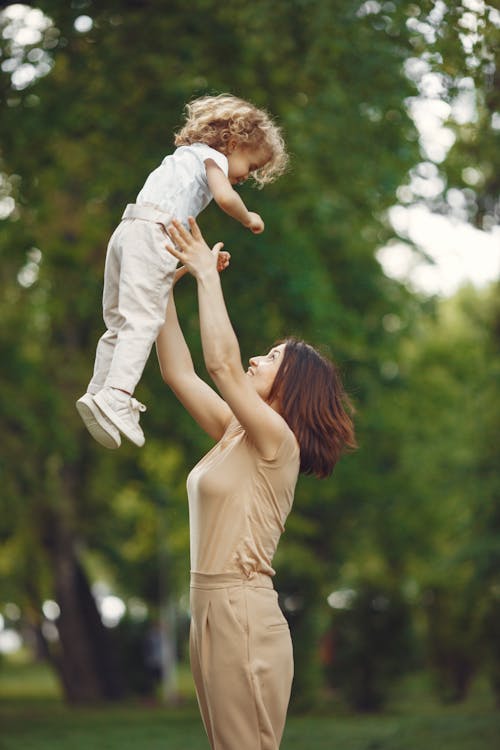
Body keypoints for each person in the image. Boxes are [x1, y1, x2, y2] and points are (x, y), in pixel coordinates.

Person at [156, 216, 356, 750]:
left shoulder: (278, 442)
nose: (254, 359)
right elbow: (180, 373)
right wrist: (159, 286)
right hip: (208, 611)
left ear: (291, 388)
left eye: (270, 359)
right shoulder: (236, 432)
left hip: (241, 611)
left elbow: (220, 363)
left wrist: (207, 273)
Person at [76, 94, 288, 450]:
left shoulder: (183, 157)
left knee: (119, 322)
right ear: (233, 143)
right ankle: (117, 393)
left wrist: (198, 265)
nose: (244, 178)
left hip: (128, 228)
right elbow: (224, 198)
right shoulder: (213, 158)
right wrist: (248, 216)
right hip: (154, 233)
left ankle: (98, 392)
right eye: (249, 168)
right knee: (144, 320)